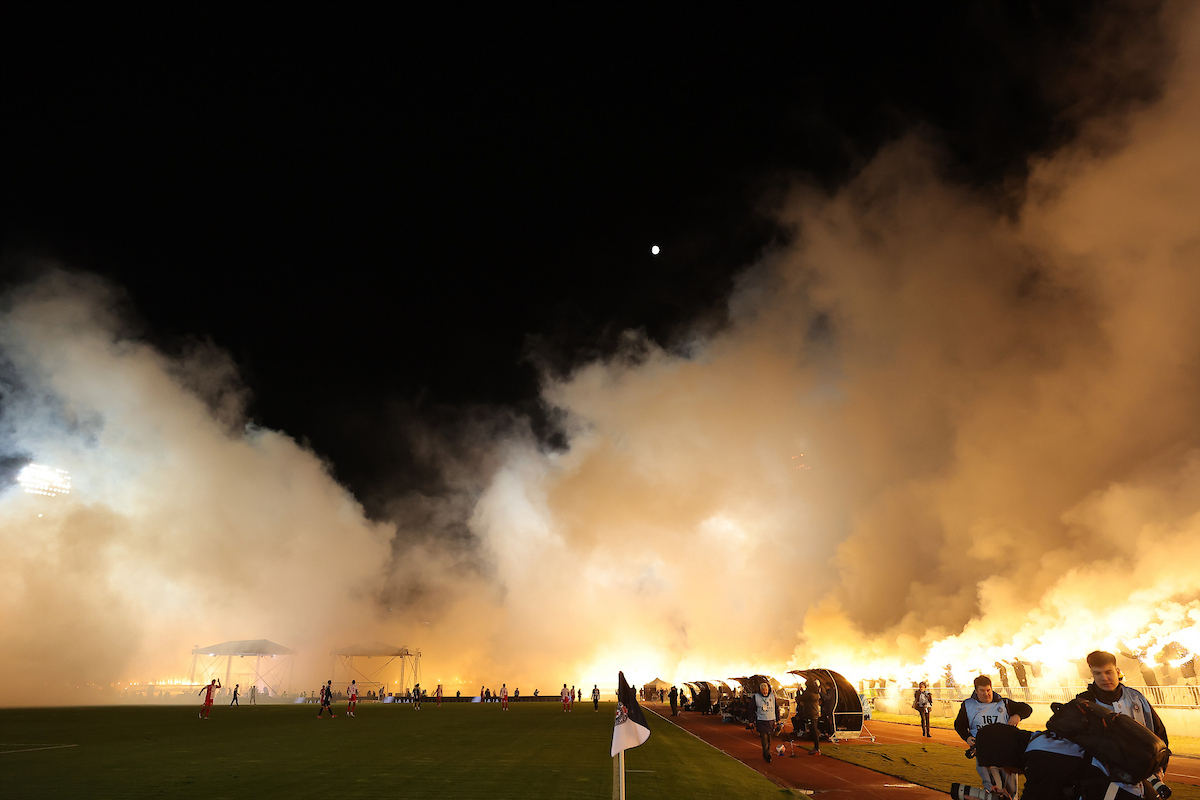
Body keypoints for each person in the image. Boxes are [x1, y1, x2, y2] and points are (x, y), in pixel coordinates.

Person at [1077, 650, 1169, 797]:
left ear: (1117, 671)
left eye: (1108, 672)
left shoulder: (1136, 697)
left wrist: (1159, 767)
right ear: (1092, 674)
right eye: (1098, 673)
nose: (1104, 678)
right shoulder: (1083, 703)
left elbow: (1158, 734)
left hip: (1141, 780)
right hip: (1100, 783)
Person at [955, 675, 1031, 799]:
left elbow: (1026, 709)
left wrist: (1017, 716)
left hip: (1008, 753)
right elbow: (959, 725)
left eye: (988, 690)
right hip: (986, 754)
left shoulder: (1004, 703)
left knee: (1012, 791)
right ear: (976, 691)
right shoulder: (968, 705)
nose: (986, 694)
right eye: (982, 691)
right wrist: (967, 737)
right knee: (995, 789)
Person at [753, 681, 782, 762]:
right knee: (764, 739)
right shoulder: (756, 697)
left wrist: (778, 719)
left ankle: (766, 753)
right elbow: (751, 709)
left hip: (770, 721)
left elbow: (776, 708)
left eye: (766, 690)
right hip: (761, 721)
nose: (765, 691)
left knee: (769, 739)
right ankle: (767, 754)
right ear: (760, 690)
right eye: (763, 690)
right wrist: (751, 720)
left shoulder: (772, 696)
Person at [800, 678, 822, 755]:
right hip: (815, 712)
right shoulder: (816, 691)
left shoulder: (809, 692)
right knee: (814, 729)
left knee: (814, 730)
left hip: (810, 712)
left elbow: (801, 698)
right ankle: (817, 747)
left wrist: (799, 692)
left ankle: (816, 748)